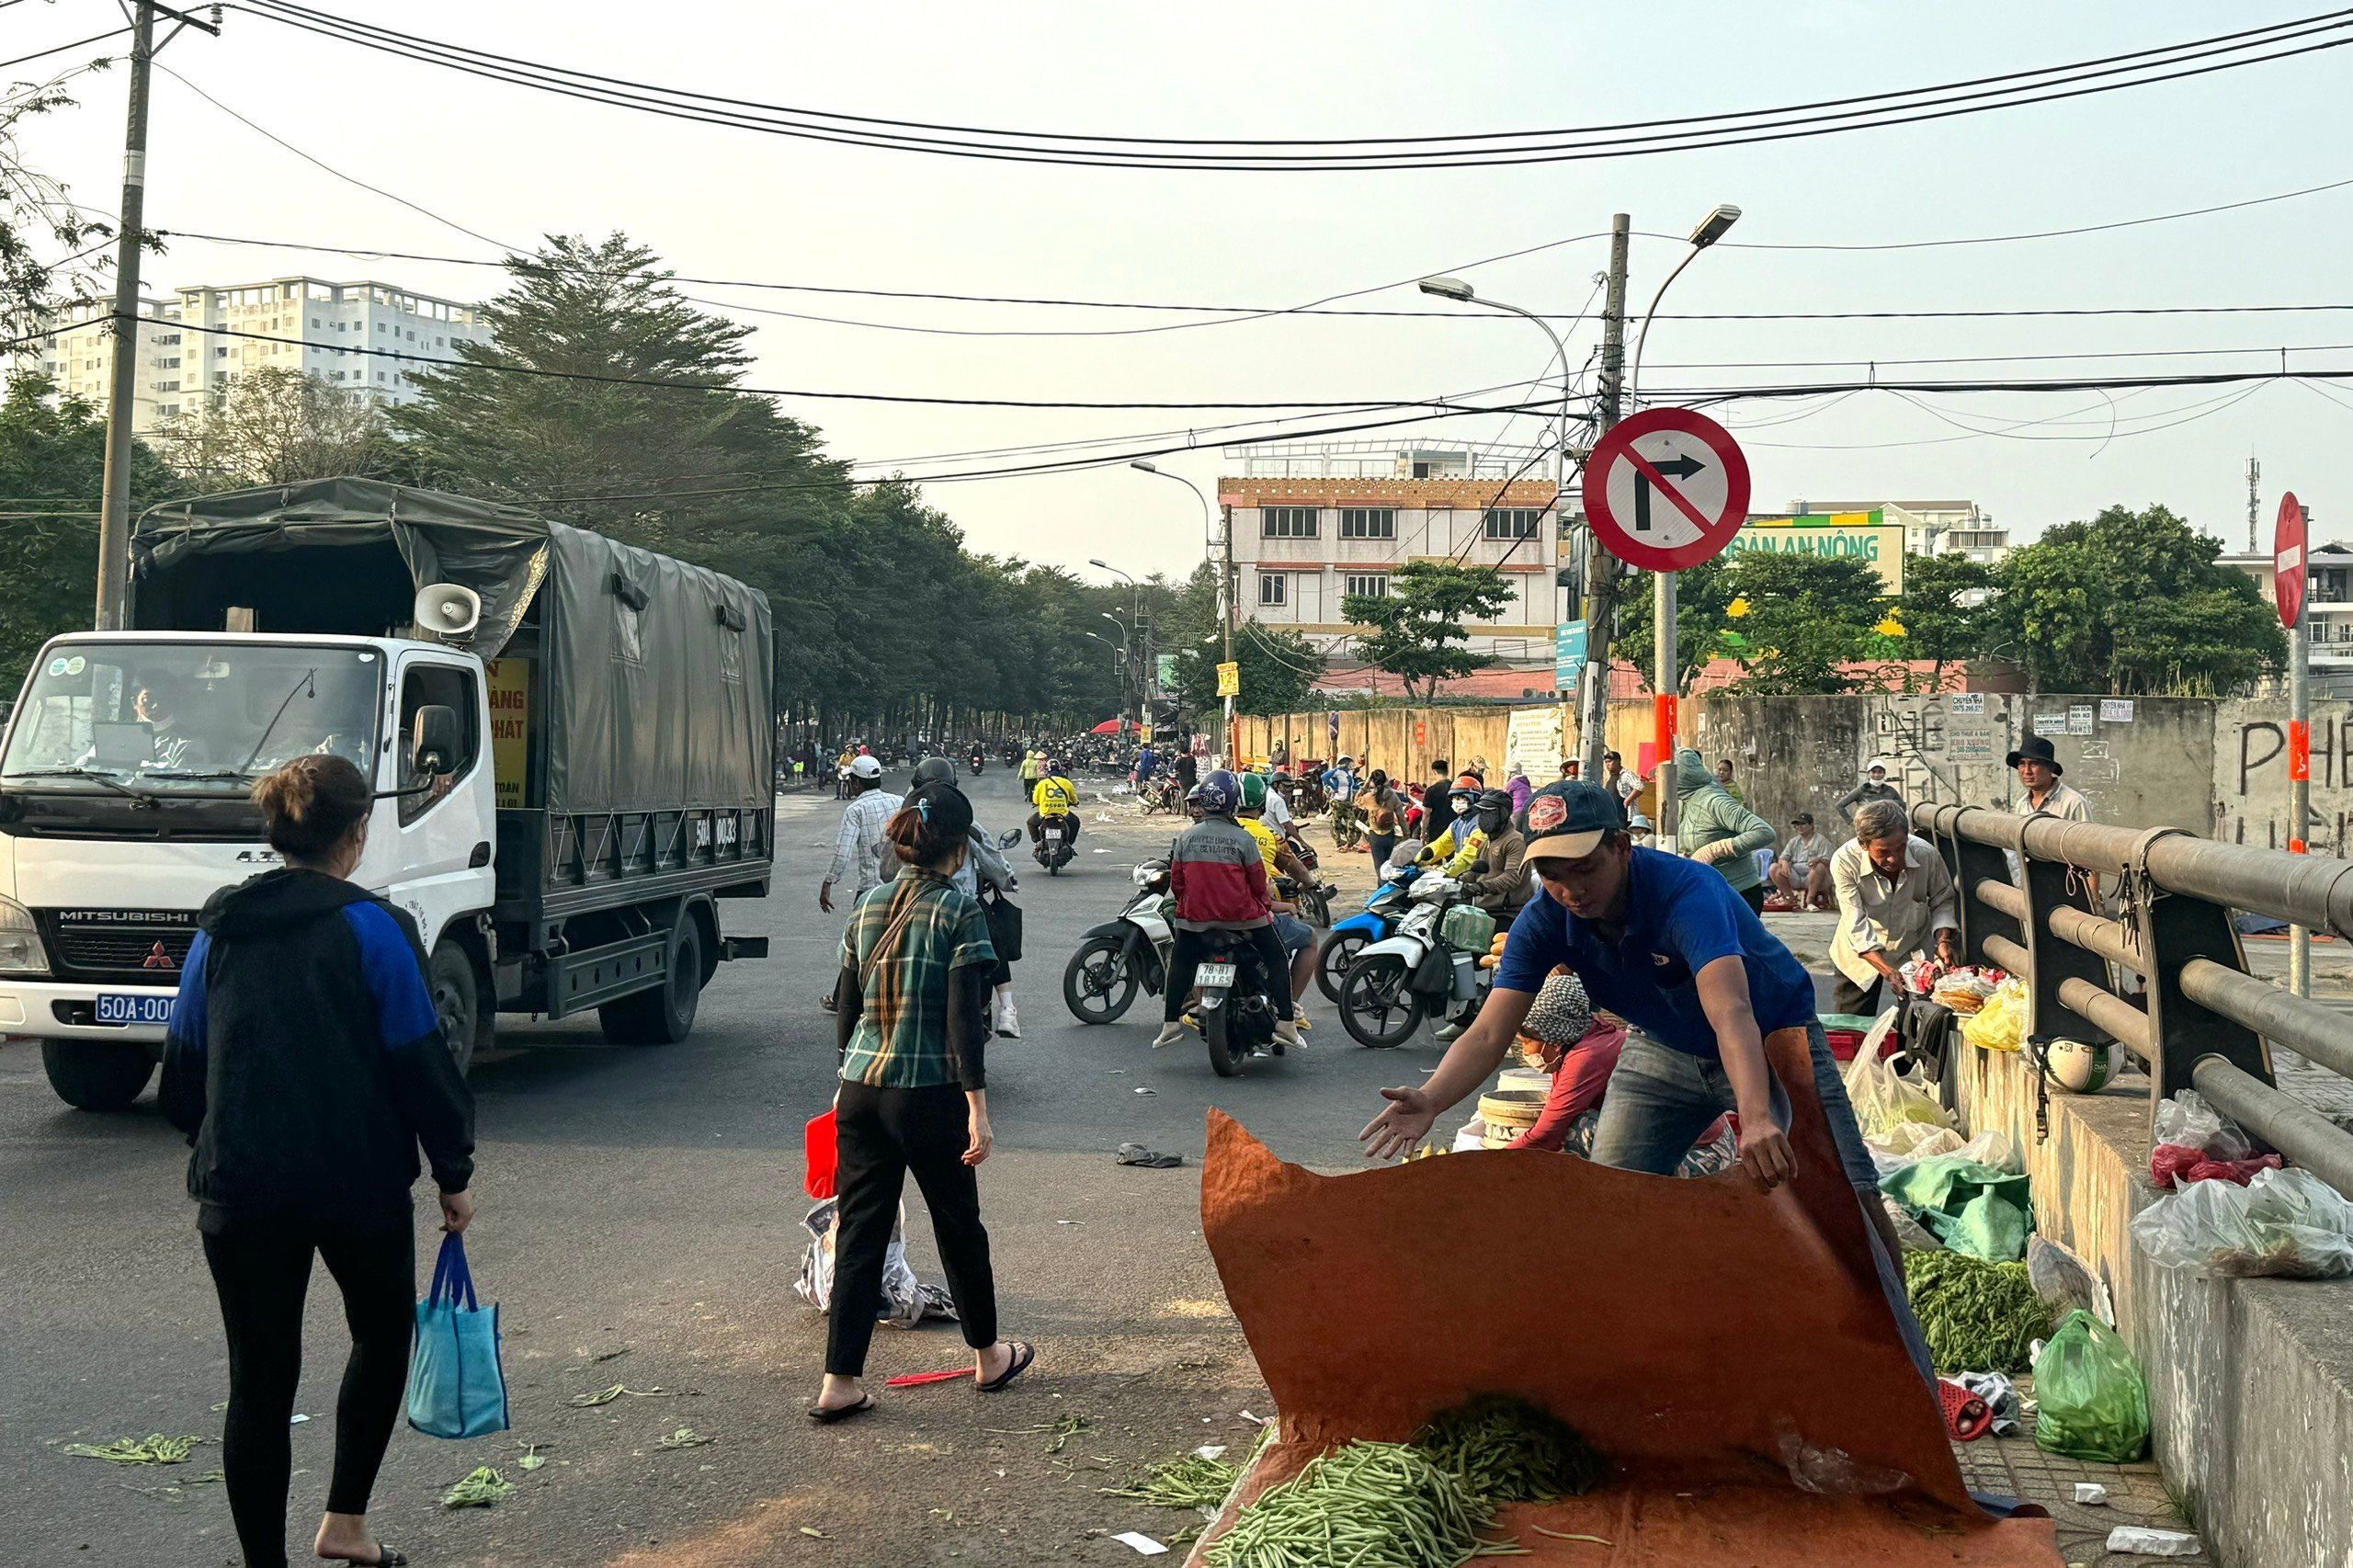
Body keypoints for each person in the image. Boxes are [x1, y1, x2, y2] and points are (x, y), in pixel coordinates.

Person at [1359, 780, 1934, 1384]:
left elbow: (1731, 1010)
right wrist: (1432, 1098)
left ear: (1622, 847)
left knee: (1849, 1195)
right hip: (1661, 1047)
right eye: (1553, 872)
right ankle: (1624, 1367)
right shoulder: (1545, 919)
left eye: (1584, 869)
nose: (1571, 889)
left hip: (1771, 1041)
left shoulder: (1688, 892)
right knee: (1609, 1207)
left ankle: (1899, 1361)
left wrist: (1757, 1115)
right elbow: (1487, 1034)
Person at [159, 755, 474, 1568]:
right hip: (355, 1186)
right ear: (357, 832)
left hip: (241, 1188)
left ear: (279, 832)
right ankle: (345, 1522)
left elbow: (184, 1065)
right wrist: (453, 1171)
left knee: (258, 1381)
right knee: (380, 1336)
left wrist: (216, 1143)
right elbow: (418, 1058)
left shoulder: (219, 929)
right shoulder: (374, 927)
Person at [814, 785, 1032, 1422]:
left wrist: (845, 1080)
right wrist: (979, 1108)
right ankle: (990, 1358)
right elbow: (967, 1020)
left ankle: (839, 1382)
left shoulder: (868, 907)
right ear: (960, 848)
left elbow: (847, 1009)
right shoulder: (959, 912)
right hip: (928, 1095)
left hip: (862, 1091)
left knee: (860, 1231)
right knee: (958, 1226)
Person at [1502, 970, 1737, 1176]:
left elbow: (1547, 1134)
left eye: (1527, 1042)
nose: (1525, 1051)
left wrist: (1492, 1161)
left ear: (1553, 1039)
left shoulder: (1588, 1057)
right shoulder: (1590, 1035)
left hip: (1702, 1154)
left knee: (1574, 1127)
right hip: (1702, 1140)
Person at [1152, 770, 1301, 1051]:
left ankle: (1171, 1023)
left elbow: (1178, 883)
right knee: (1277, 957)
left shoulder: (1185, 838)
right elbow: (1258, 885)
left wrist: (1190, 908)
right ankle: (1287, 1024)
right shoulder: (1244, 839)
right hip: (1243, 920)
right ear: (1233, 803)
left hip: (1195, 922)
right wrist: (1264, 907)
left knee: (1180, 962)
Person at [908, 757, 1023, 1037]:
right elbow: (992, 861)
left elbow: (887, 867)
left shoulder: (907, 821)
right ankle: (1007, 1009)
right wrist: (1008, 882)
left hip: (912, 901)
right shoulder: (965, 823)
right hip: (964, 902)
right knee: (994, 942)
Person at [1830, 800, 1961, 1016]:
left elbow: (1942, 900)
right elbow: (1855, 921)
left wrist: (1943, 940)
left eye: (1901, 848)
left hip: (1913, 950)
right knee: (1851, 1026)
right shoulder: (1844, 861)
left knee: (1917, 1026)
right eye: (1883, 852)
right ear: (1864, 844)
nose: (1894, 858)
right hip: (1859, 952)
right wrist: (1888, 972)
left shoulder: (1926, 855)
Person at [1236, 773, 1321, 1006]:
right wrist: (1310, 883)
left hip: (1213, 914)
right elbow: (1297, 869)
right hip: (1254, 913)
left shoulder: (1220, 832)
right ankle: (1288, 1005)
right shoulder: (1268, 836)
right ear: (1261, 803)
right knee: (1308, 938)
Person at [1671, 748, 1777, 915]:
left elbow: (1764, 832)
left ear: (1681, 776)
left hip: (1739, 893)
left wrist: (1715, 849)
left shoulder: (1715, 801)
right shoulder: (1685, 800)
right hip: (1710, 889)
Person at [1454, 789, 1530, 923]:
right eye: (1481, 812)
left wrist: (1480, 887)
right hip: (1482, 910)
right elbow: (1477, 872)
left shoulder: (1516, 841)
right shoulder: (1486, 842)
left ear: (1503, 814)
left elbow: (1512, 878)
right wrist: (1457, 881)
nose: (1483, 817)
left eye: (1488, 812)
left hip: (1507, 914)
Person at [2008, 733, 2091, 824]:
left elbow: (2087, 837)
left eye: (2034, 764)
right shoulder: (2022, 804)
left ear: (2050, 767)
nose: (2027, 771)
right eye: (2022, 763)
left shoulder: (2073, 802)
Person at [1770, 812, 1837, 911]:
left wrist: (1819, 859)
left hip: (1815, 877)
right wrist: (1784, 862)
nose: (1799, 827)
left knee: (1819, 867)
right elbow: (1783, 857)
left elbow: (1830, 861)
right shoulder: (1794, 841)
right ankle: (1790, 897)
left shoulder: (1821, 841)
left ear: (1811, 826)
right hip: (1796, 875)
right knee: (1774, 868)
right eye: (1797, 825)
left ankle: (1810, 901)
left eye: (1802, 824)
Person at [1029, 758, 1081, 850]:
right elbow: (1074, 798)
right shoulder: (1067, 783)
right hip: (1063, 813)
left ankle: (1038, 842)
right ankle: (1069, 844)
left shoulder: (1042, 783)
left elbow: (1035, 800)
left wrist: (1037, 803)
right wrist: (1075, 803)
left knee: (1031, 823)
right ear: (1060, 770)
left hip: (1045, 813)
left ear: (1047, 771)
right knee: (1075, 822)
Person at [1358, 768, 1402, 872]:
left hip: (1375, 836)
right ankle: (1384, 887)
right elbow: (1401, 817)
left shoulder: (1369, 797)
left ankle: (1382, 887)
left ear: (1373, 781)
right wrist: (1406, 834)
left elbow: (1357, 799)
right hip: (1389, 835)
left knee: (1379, 868)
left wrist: (1366, 784)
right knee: (1387, 866)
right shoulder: (1392, 796)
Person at [1836, 758, 1903, 824]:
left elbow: (1902, 805)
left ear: (1884, 774)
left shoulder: (1890, 791)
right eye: (1873, 772)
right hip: (1867, 829)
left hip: (1888, 828)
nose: (1876, 775)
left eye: (1880, 772)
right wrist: (1851, 821)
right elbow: (1840, 806)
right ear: (1868, 773)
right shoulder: (1861, 791)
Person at [1321, 754, 1360, 844]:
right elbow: (1324, 777)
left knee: (1351, 823)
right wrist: (1334, 787)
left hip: (1348, 802)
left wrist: (1359, 788)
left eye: (1347, 762)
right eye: (1344, 762)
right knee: (1337, 823)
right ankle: (1338, 843)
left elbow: (1352, 785)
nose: (1346, 764)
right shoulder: (1336, 771)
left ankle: (1350, 843)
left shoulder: (1350, 772)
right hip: (1337, 801)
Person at [1423, 760, 1458, 846]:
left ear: (1434, 772)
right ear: (1447, 771)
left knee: (1434, 856)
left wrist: (1423, 833)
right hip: (1453, 830)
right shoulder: (1456, 788)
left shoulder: (1431, 790)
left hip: (1436, 832)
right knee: (1452, 857)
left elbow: (1426, 814)